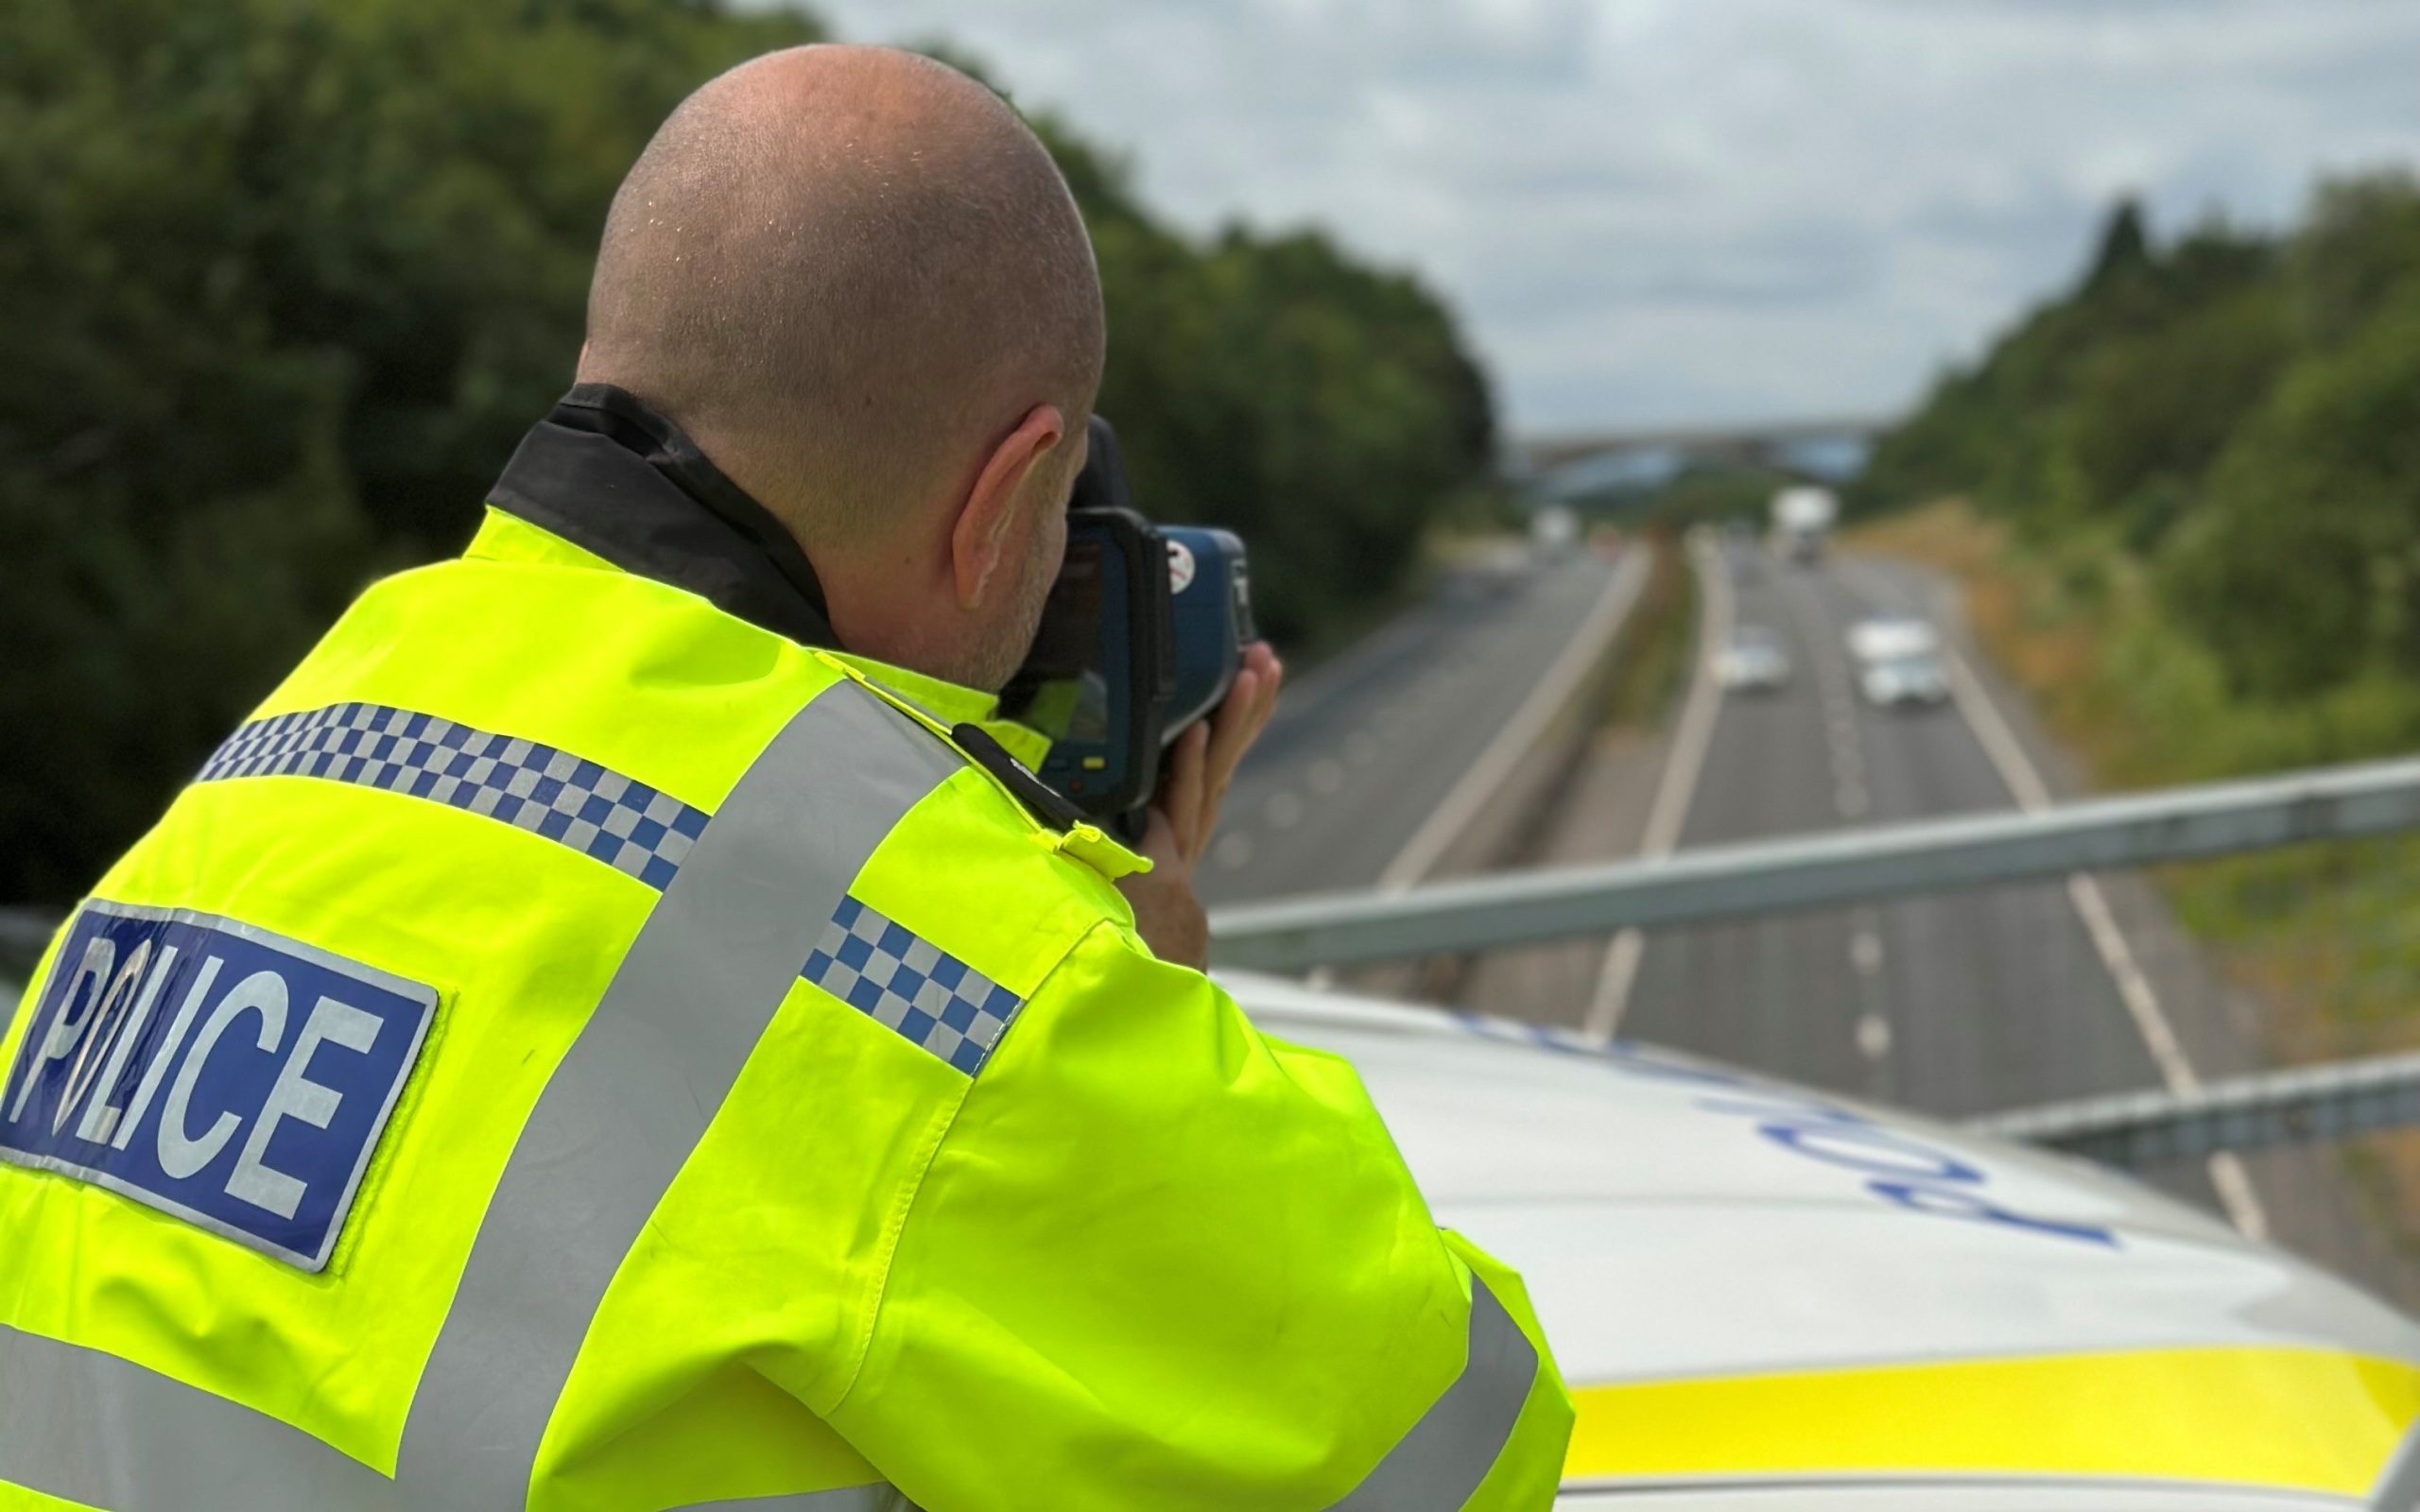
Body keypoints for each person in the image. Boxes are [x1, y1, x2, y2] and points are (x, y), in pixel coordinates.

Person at [0, 44, 1571, 1511]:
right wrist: (1146, 997)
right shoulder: (965, 989)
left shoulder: (321, 723)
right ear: (1008, 493)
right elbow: (1446, 1444)